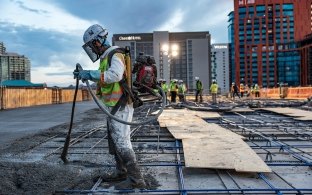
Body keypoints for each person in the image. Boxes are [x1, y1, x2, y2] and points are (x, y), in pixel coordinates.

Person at [74, 24, 145, 189]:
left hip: (120, 106)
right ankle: (121, 172)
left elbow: (114, 75)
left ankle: (136, 180)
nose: (92, 48)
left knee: (122, 141)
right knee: (115, 140)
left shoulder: (115, 54)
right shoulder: (106, 56)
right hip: (113, 106)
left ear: (97, 41)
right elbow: (105, 77)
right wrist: (87, 74)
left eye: (92, 44)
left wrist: (89, 74)